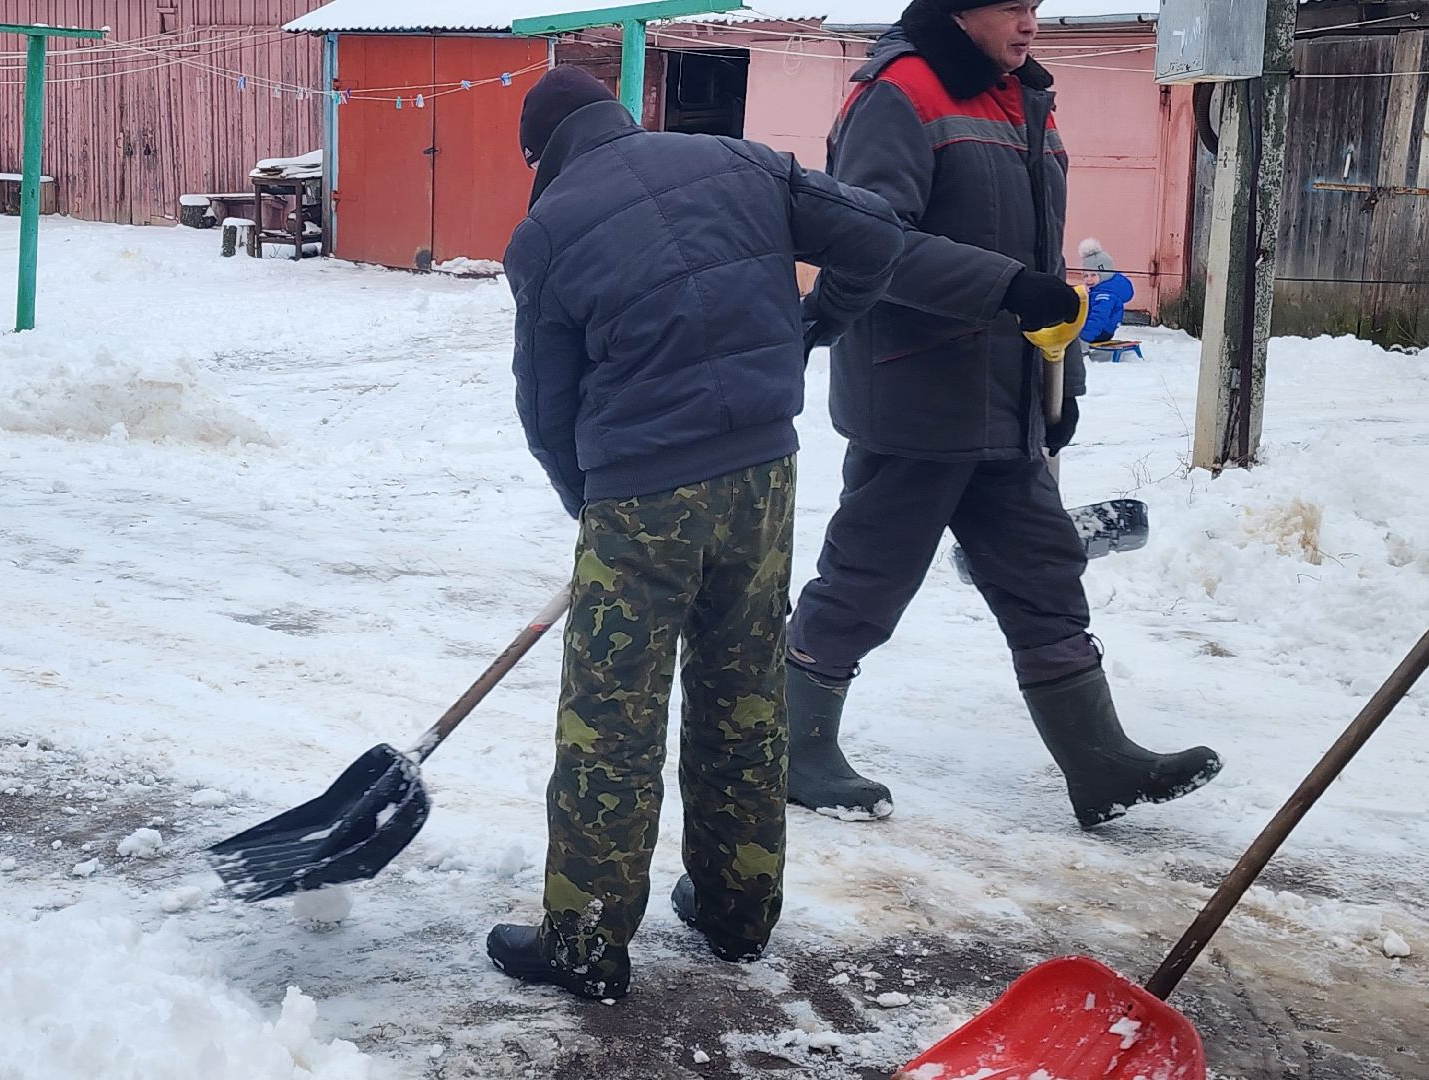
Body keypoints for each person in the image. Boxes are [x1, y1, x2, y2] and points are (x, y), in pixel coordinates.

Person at [487, 66, 905, 1000]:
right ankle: (737, 910)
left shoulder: (546, 232)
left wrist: (588, 501)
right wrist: (814, 326)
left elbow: (546, 404)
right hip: (762, 474)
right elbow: (876, 233)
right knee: (743, 689)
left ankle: (585, 946)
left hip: (640, 494)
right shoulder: (743, 162)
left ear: (536, 155)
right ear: (620, 116)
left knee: (612, 720)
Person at [784, 0, 1223, 828]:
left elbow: (1039, 265)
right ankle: (793, 748)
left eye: (1037, 6)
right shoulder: (900, 93)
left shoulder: (1017, 96)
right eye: (1013, 7)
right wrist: (1005, 290)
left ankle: (1102, 766)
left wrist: (1060, 386)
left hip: (1007, 391)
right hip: (916, 390)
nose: (1031, 24)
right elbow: (869, 241)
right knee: (870, 576)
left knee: (1043, 572)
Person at [1079, 237, 1135, 344]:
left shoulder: (1105, 295)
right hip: (1095, 330)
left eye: (1093, 275)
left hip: (1099, 332)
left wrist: (1084, 339)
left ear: (1104, 275)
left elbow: (1098, 318)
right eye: (1085, 275)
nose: (1088, 279)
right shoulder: (1099, 290)